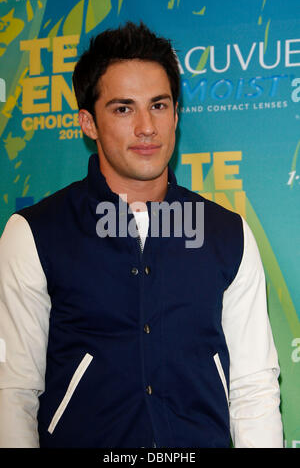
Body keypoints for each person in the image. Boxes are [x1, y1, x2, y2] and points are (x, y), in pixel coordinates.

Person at [0, 22, 283, 448]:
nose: (147, 127)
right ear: (88, 123)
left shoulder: (227, 234)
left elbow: (254, 389)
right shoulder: (34, 233)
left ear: (176, 114)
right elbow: (13, 391)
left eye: (159, 105)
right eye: (123, 108)